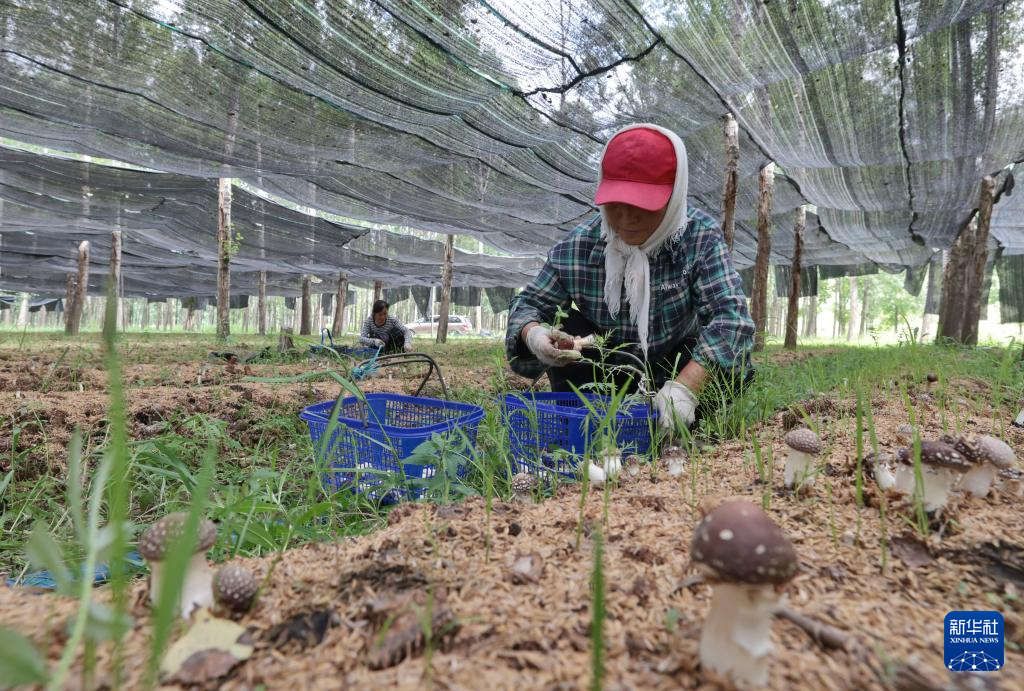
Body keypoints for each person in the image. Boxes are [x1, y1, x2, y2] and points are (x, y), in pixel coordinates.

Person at [505, 124, 754, 434]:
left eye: (642, 205)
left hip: (676, 364)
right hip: (608, 369)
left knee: (730, 362)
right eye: (615, 204)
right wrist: (533, 334)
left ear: (675, 196)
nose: (626, 218)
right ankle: (585, 424)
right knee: (567, 324)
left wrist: (687, 386)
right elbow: (528, 304)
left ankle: (687, 420)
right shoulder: (580, 246)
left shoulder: (698, 238)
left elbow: (732, 320)